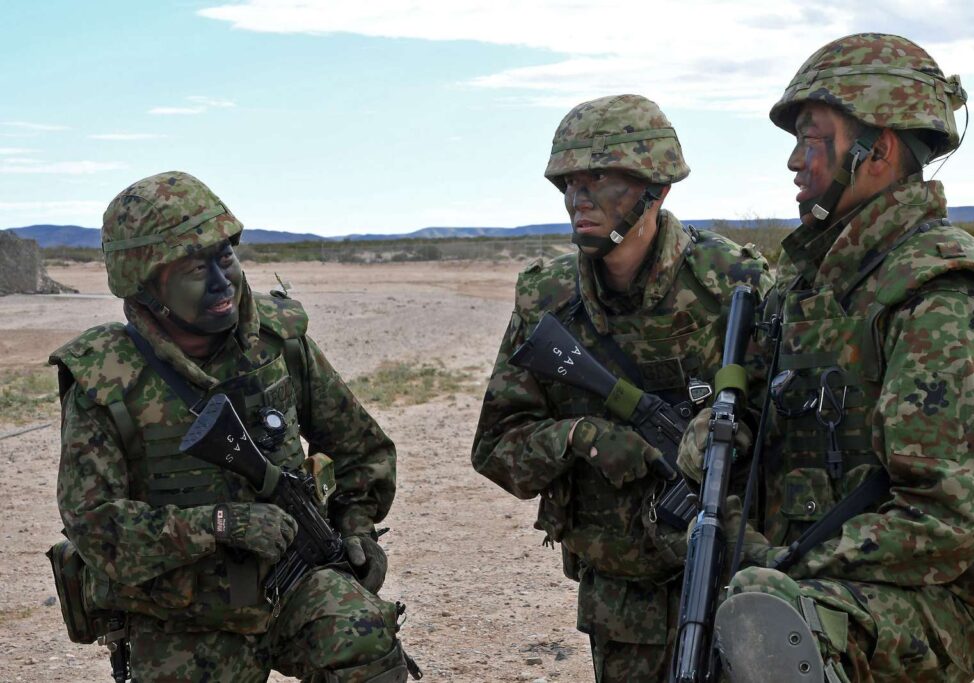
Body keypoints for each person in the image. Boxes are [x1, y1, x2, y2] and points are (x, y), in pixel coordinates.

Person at [679, 33, 974, 682]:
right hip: (808, 570)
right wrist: (716, 433)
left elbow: (944, 521)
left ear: (878, 150)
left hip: (920, 597)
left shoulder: (935, 286)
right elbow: (751, 406)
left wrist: (783, 564)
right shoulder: (805, 282)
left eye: (813, 138)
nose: (795, 162)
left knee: (770, 624)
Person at [50, 171, 416, 682]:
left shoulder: (279, 343)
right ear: (146, 282)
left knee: (365, 640)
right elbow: (96, 527)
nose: (224, 282)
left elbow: (362, 447)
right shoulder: (107, 379)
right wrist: (219, 525)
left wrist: (356, 529)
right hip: (181, 613)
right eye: (197, 268)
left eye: (226, 257)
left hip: (293, 584)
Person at [471, 94, 771, 682]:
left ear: (654, 189)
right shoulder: (548, 299)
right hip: (622, 592)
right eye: (568, 182)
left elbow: (789, 435)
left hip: (733, 567)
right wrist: (583, 437)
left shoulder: (733, 283)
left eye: (599, 178)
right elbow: (496, 448)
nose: (577, 198)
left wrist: (723, 436)